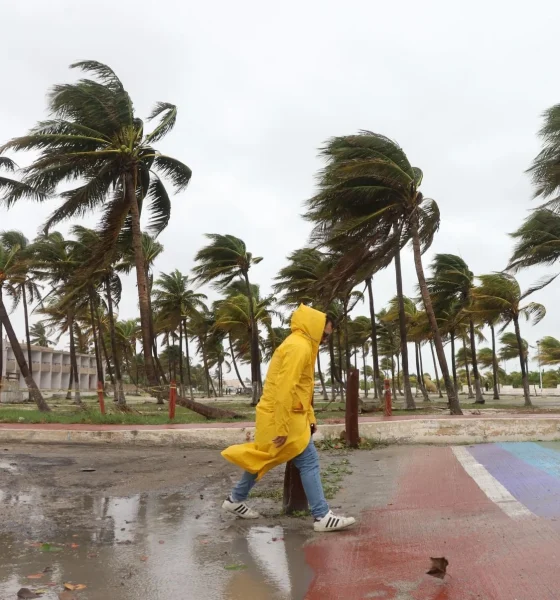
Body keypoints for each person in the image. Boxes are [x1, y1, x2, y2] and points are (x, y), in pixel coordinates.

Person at [221, 304, 356, 532]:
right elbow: (285, 389)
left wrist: (310, 417)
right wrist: (283, 427)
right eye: (325, 335)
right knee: (308, 461)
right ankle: (322, 516)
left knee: (263, 458)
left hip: (285, 414)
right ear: (315, 328)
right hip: (281, 416)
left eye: (328, 337)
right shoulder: (299, 347)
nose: (325, 340)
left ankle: (235, 500)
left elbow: (303, 387)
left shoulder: (300, 345)